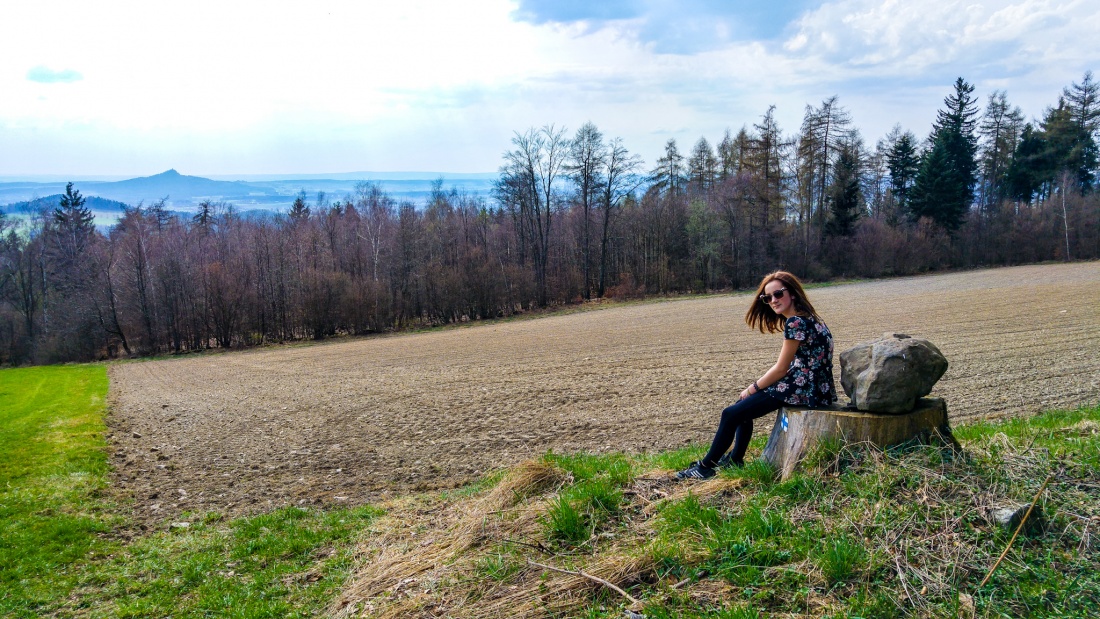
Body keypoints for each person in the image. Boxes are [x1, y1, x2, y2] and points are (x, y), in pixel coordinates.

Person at [676, 271, 836, 480]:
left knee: (730, 413)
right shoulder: (811, 317)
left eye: (778, 294)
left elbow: (781, 368)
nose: (773, 300)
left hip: (804, 388)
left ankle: (705, 467)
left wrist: (753, 387)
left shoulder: (796, 322)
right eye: (767, 298)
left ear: (793, 293)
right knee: (741, 405)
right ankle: (735, 460)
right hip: (812, 384)